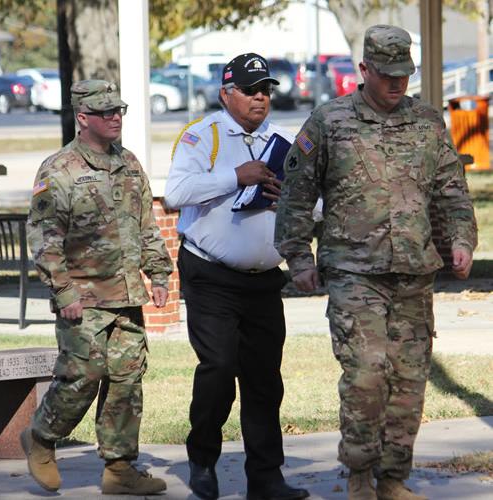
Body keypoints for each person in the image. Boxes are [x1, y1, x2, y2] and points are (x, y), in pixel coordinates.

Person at [275, 25, 477, 500]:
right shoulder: (330, 122)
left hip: (414, 271)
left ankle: (393, 480)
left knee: (409, 381)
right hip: (354, 272)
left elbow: (452, 191)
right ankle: (360, 477)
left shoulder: (428, 123)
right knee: (366, 376)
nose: (396, 83)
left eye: (403, 73)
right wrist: (299, 257)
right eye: (386, 74)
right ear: (363, 69)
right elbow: (296, 197)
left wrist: (461, 240)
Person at [165, 53, 310, 500]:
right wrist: (236, 176)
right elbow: (175, 194)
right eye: (251, 90)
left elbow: (317, 207)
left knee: (265, 379)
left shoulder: (280, 142)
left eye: (266, 90)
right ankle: (203, 459)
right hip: (211, 275)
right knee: (220, 367)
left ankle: (265, 478)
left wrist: (287, 197)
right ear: (227, 93)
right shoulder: (201, 136)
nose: (261, 98)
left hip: (265, 279)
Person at [22, 79, 173, 496]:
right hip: (83, 299)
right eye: (106, 112)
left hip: (126, 295)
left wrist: (158, 273)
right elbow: (44, 237)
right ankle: (40, 437)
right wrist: (63, 291)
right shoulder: (60, 170)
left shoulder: (128, 163)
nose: (116, 117)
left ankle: (120, 468)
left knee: (128, 379)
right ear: (82, 117)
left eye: (119, 110)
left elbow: (145, 225)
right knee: (81, 376)